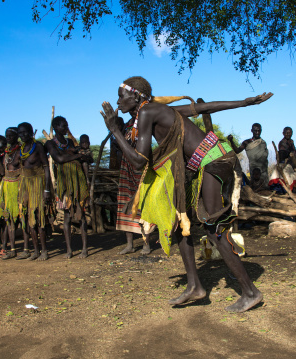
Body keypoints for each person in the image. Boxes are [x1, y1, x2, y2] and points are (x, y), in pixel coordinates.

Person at [101, 76, 272, 312]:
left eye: (121, 96)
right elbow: (204, 107)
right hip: (207, 162)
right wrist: (245, 102)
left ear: (137, 96)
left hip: (212, 161)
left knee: (214, 230)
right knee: (182, 222)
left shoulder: (148, 112)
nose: (117, 102)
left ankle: (251, 292)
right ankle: (195, 286)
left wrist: (114, 131)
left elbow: (139, 162)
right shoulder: (157, 110)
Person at [46, 116, 89, 258]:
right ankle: (69, 250)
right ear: (56, 127)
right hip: (65, 183)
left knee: (81, 213)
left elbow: (83, 156)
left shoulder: (70, 141)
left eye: (67, 125)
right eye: (64, 126)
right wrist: (75, 155)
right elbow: (58, 159)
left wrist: (70, 154)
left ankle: (84, 249)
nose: (66, 128)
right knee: (66, 216)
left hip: (78, 179)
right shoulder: (50, 144)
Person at [115, 116, 155, 255]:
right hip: (126, 167)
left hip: (141, 165)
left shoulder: (143, 122)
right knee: (126, 203)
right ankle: (130, 245)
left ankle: (146, 244)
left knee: (144, 205)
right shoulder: (126, 126)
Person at [17, 122, 52, 260]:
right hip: (26, 185)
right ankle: (36, 251)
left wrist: (47, 189)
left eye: (25, 132)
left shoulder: (37, 146)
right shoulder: (21, 149)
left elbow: (45, 167)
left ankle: (44, 251)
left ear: (31, 132)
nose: (22, 135)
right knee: (29, 218)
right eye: (20, 133)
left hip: (38, 184)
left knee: (39, 218)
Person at [1, 127, 29, 260]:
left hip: (18, 186)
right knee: (10, 219)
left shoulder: (20, 151)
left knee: (23, 218)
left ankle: (26, 249)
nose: (8, 138)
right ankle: (12, 250)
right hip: (7, 187)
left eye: (11, 135)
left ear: (16, 136)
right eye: (7, 136)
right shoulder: (6, 153)